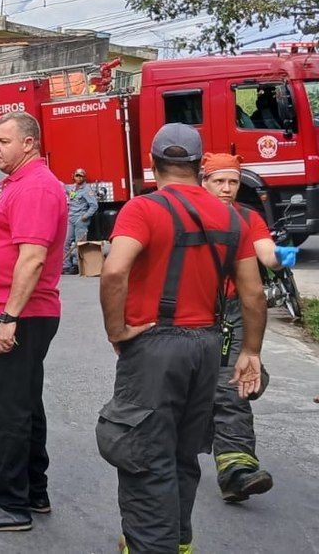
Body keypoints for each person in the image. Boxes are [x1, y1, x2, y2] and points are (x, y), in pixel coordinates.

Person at [98, 124, 265, 554]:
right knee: (182, 454)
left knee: (144, 454)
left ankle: (151, 547)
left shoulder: (142, 209)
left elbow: (115, 270)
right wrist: (250, 351)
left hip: (154, 346)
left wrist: (116, 330)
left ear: (153, 165)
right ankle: (178, 541)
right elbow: (253, 292)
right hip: (208, 346)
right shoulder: (232, 216)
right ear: (198, 165)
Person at [0, 111, 67, 532]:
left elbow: (34, 256)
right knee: (25, 404)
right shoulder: (22, 183)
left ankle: (11, 504)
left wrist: (8, 317)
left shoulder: (36, 186)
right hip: (17, 312)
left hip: (20, 313)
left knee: (7, 411)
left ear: (29, 143)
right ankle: (33, 492)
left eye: (2, 140)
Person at [200, 152, 295, 502]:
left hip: (231, 312)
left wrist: (285, 255)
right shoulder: (187, 214)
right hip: (188, 312)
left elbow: (266, 253)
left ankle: (236, 469)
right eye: (219, 181)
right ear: (203, 180)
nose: (227, 188)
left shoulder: (246, 217)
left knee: (231, 384)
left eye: (233, 182)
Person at [63, 167, 99, 275]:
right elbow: (62, 186)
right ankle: (66, 266)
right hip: (71, 218)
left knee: (80, 244)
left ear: (84, 177)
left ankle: (77, 265)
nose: (78, 178)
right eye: (77, 176)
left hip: (80, 220)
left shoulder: (87, 190)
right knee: (66, 242)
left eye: (81, 176)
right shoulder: (72, 188)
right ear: (73, 176)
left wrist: (85, 216)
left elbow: (94, 205)